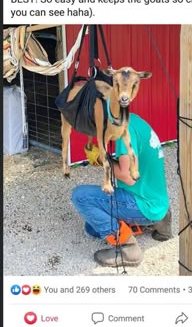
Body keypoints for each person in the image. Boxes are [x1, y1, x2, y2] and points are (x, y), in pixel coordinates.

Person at [71, 113, 172, 268]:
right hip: (157, 201)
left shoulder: (122, 132)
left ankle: (128, 247)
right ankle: (160, 221)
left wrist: (100, 159)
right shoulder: (132, 120)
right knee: (91, 227)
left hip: (143, 204)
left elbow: (127, 176)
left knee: (80, 197)